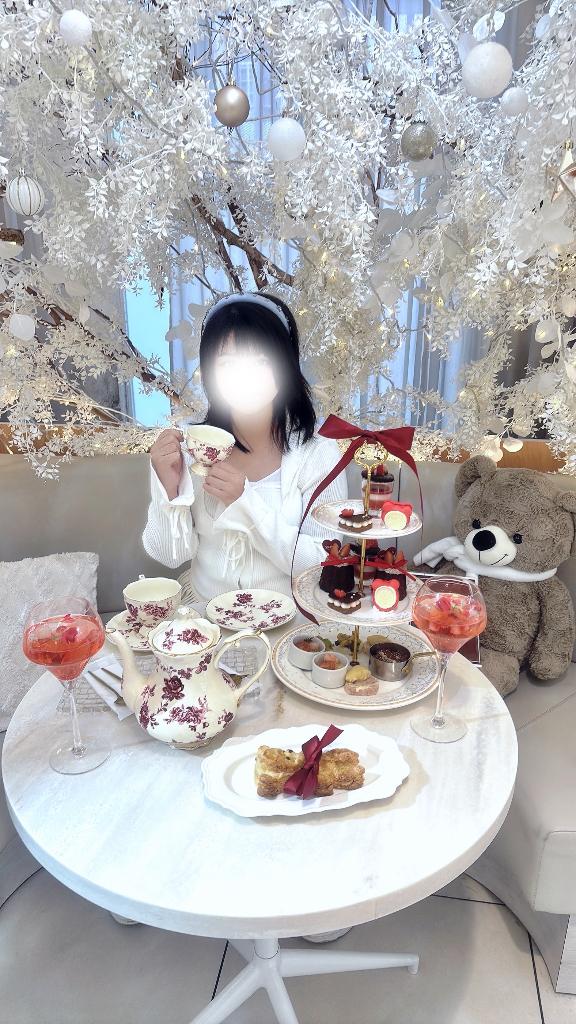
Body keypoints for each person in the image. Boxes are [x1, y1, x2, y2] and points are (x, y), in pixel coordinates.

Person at [142, 292, 347, 597]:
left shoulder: (318, 452)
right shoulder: (189, 447)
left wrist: (245, 502)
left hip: (290, 619)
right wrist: (169, 490)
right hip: (205, 616)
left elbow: (324, 564)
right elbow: (170, 556)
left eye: (261, 362)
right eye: (227, 363)